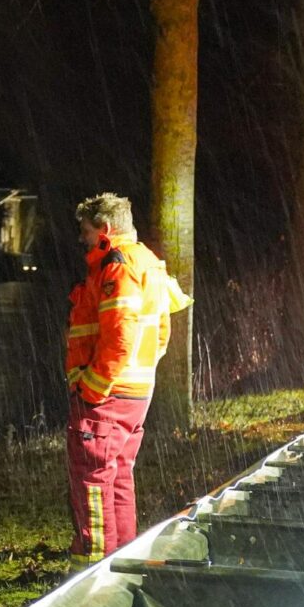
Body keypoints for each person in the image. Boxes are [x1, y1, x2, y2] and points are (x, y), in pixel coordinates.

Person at [64, 192, 190, 562]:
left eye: (86, 231)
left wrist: (92, 387)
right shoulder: (147, 261)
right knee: (118, 474)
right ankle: (121, 560)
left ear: (104, 228)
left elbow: (119, 336)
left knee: (92, 477)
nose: (82, 239)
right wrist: (143, 371)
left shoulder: (117, 266)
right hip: (135, 390)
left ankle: (92, 569)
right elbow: (162, 332)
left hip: (108, 392)